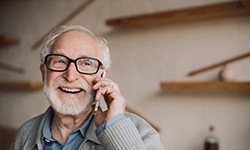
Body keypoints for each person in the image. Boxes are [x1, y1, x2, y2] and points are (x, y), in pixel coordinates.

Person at [10, 25, 165, 150]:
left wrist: (115, 128)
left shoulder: (140, 132)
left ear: (103, 76)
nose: (70, 76)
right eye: (60, 61)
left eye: (86, 63)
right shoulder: (26, 133)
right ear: (44, 73)